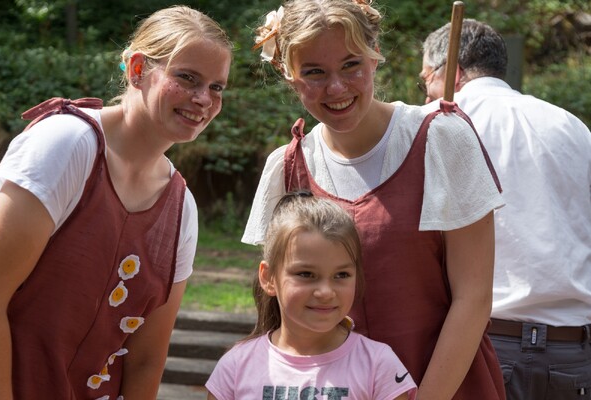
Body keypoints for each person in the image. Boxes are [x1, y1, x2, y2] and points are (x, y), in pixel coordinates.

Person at [242, 1, 506, 399]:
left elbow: (473, 298)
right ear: (290, 76)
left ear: (375, 57)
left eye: (351, 65)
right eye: (314, 72)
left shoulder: (441, 139)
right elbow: (278, 311)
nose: (336, 87)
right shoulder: (288, 167)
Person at [0, 5, 232, 399]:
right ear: (137, 70)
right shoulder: (67, 146)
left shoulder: (181, 208)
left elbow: (146, 359)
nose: (203, 98)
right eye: (186, 77)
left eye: (217, 87)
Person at [421, 19, 591, 399]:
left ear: (449, 72)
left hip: (484, 343)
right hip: (574, 352)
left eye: (425, 82)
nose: (425, 95)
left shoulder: (439, 124)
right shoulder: (572, 126)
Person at [207, 191, 417, 400]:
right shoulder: (235, 366)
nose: (325, 292)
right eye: (306, 274)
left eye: (341, 275)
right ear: (269, 277)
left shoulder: (379, 366)